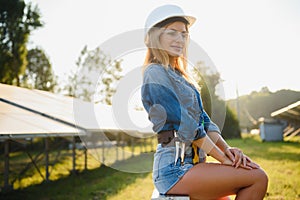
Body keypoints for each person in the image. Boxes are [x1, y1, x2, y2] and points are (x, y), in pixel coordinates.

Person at [141, 4, 268, 200]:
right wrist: (223, 159)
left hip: (194, 165)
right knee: (257, 178)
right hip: (174, 170)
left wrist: (229, 151)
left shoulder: (183, 79)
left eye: (183, 34)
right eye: (172, 33)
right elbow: (188, 125)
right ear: (155, 37)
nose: (180, 39)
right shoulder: (154, 73)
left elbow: (204, 122)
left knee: (254, 172)